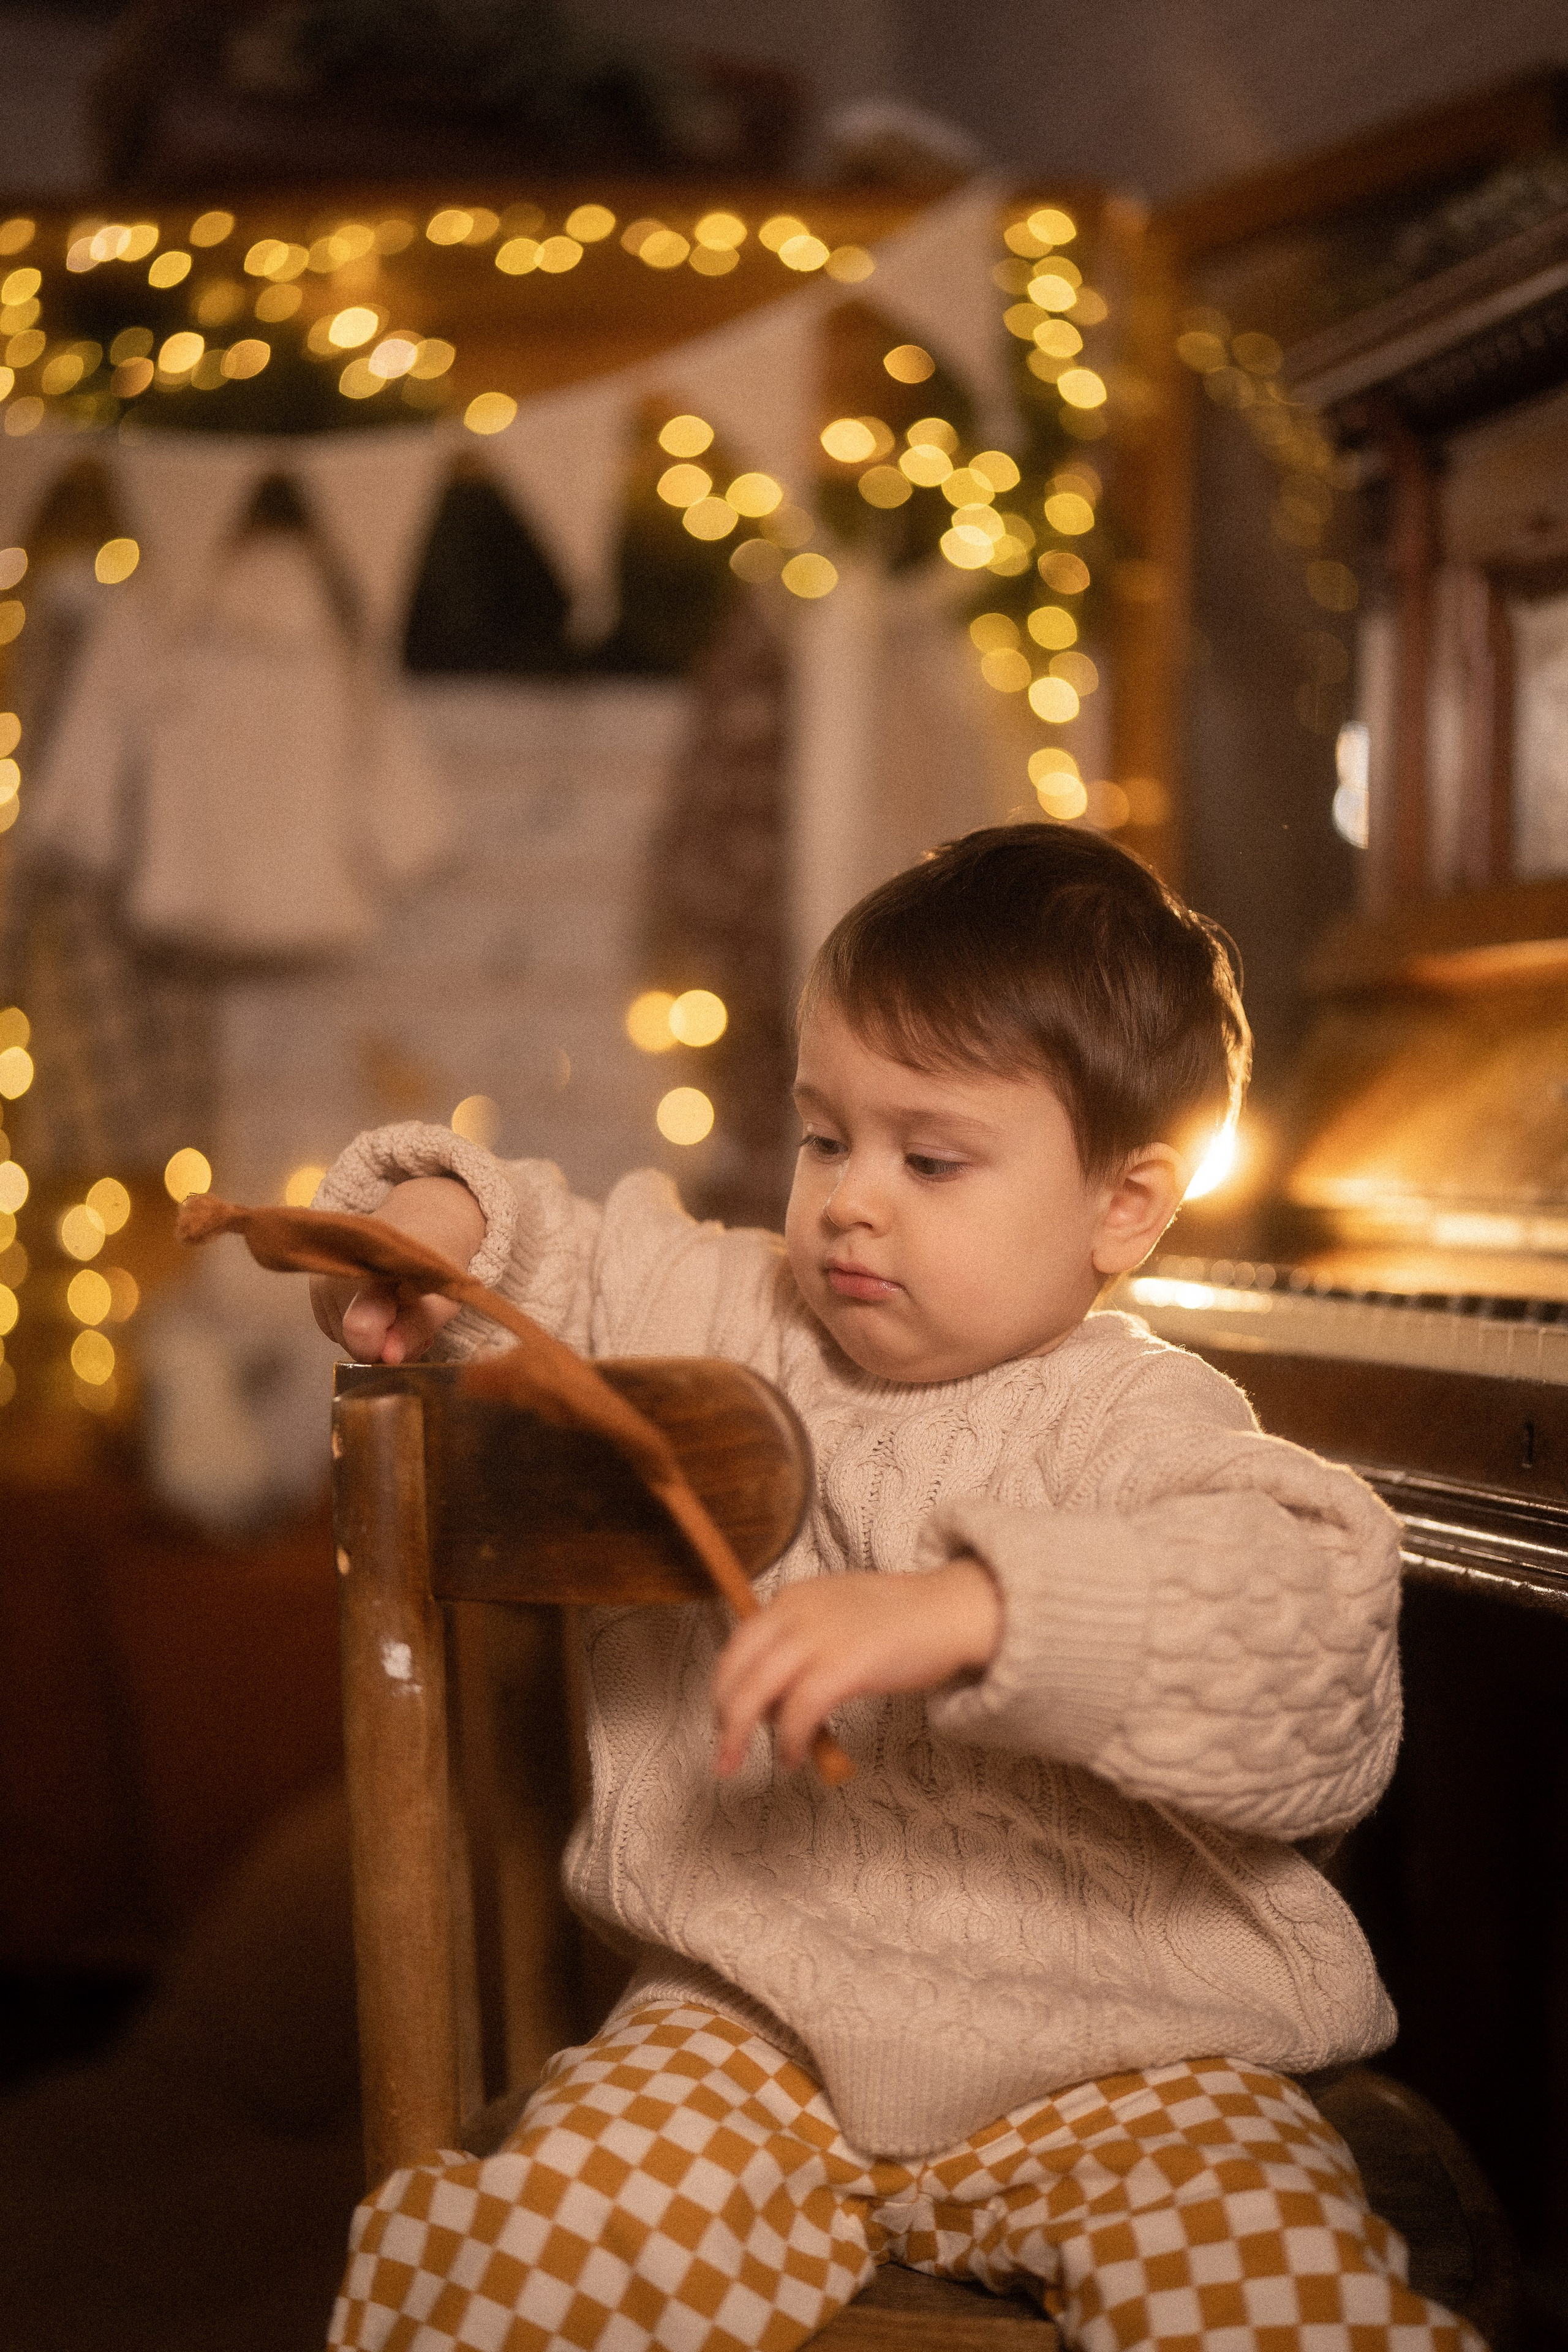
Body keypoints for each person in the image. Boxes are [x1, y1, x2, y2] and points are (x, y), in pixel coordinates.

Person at [312, 825, 1476, 2352]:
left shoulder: (1135, 1418)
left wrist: (980, 1613)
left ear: (1122, 1206)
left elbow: (1313, 1641)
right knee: (501, 2276)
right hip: (750, 2033)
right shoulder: (736, 1314)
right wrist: (440, 1235)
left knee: (1282, 2306)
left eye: (928, 1160)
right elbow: (568, 1268)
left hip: (1131, 2060)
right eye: (823, 1139)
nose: (852, 1202)